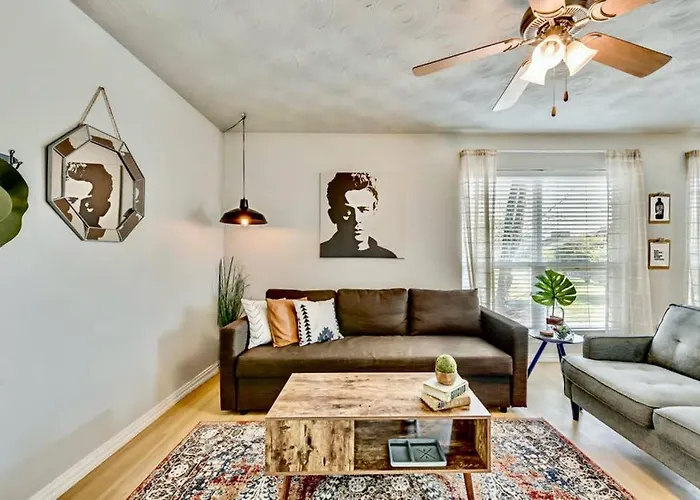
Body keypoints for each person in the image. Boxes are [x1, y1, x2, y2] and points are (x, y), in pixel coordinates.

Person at [320, 172, 397, 258]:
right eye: (347, 212)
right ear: (332, 216)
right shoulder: (322, 253)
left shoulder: (388, 257)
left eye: (364, 210)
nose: (357, 219)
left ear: (374, 212)